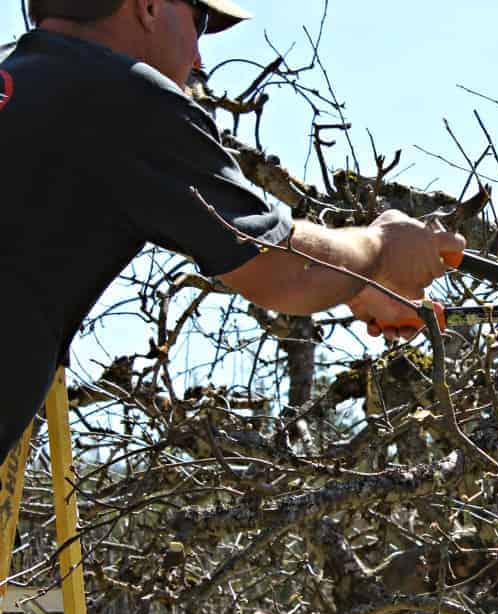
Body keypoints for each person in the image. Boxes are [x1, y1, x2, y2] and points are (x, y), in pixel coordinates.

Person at [0, 0, 466, 464]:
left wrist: (353, 280)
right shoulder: (122, 96)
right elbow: (279, 266)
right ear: (147, 6)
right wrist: (381, 247)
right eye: (198, 23)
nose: (199, 58)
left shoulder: (27, 87)